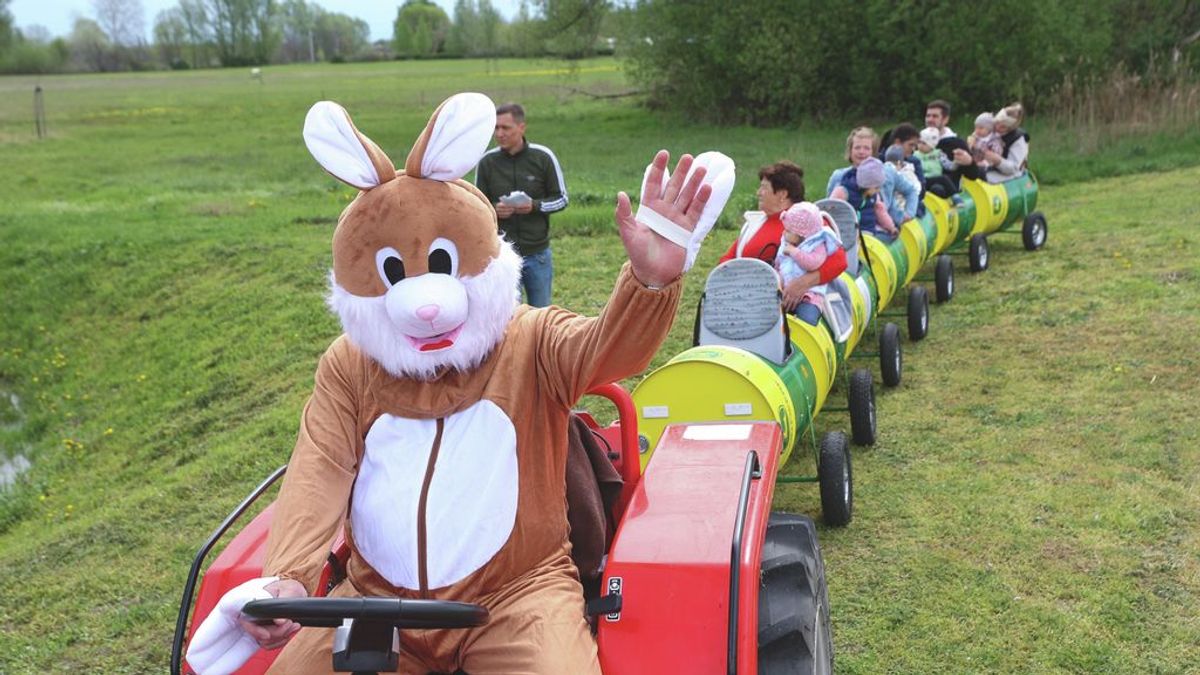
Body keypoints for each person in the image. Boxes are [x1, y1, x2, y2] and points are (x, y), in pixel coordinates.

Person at [718, 161, 847, 312]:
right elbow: (727, 259)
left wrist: (802, 283)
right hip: (746, 300)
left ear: (782, 194)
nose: (758, 192)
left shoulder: (809, 220)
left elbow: (839, 261)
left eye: (764, 187)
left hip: (786, 306)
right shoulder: (755, 222)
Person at [474, 102, 568, 308]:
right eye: (496, 128)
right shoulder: (487, 162)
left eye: (505, 128)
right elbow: (476, 206)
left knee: (540, 313)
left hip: (537, 253)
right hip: (502, 256)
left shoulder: (543, 157)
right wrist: (494, 211)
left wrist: (534, 206)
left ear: (521, 127)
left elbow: (561, 199)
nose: (499, 134)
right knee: (506, 315)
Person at [826, 127, 918, 229]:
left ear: (873, 152)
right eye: (857, 148)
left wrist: (908, 214)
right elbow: (829, 206)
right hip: (847, 229)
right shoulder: (839, 176)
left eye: (866, 148)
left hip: (884, 228)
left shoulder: (888, 172)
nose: (861, 152)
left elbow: (911, 191)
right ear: (850, 151)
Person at [775, 202, 841, 325]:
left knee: (807, 319)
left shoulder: (817, 245)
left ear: (802, 234)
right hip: (785, 293)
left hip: (809, 296)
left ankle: (808, 338)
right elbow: (779, 264)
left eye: (788, 231)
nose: (784, 233)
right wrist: (777, 277)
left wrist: (795, 253)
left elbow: (813, 263)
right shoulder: (786, 242)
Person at [830, 157, 898, 242]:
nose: (878, 190)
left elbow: (881, 212)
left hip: (868, 231)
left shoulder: (874, 196)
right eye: (876, 187)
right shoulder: (844, 192)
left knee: (887, 238)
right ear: (866, 184)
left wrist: (891, 227)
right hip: (847, 234)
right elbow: (830, 208)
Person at [985, 103, 1030, 183]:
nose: (997, 127)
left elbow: (1014, 168)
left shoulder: (1018, 139)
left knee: (984, 178)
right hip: (986, 167)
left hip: (1009, 174)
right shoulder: (990, 129)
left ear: (1011, 127)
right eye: (997, 123)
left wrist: (998, 160)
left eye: (1003, 127)